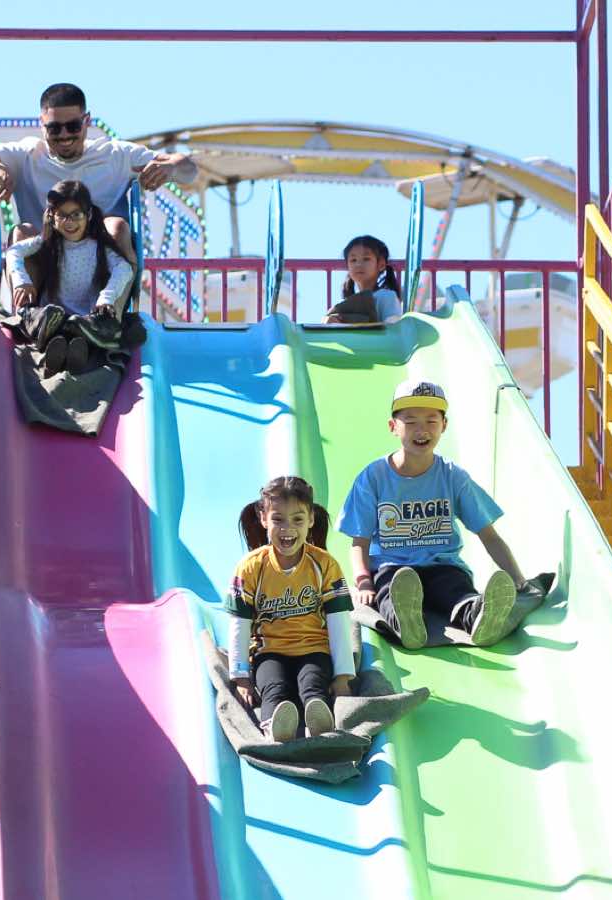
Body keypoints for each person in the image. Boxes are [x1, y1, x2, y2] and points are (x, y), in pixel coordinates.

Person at [340, 379, 530, 649]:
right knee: (392, 590)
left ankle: (479, 617)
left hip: (443, 565)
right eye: (411, 421)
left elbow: (489, 535)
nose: (422, 430)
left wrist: (517, 577)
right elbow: (359, 542)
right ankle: (406, 623)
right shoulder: (374, 477)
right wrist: (364, 583)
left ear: (444, 425)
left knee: (457, 593)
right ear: (393, 427)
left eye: (431, 421)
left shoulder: (453, 476)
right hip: (392, 567)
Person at [0, 82, 194, 267]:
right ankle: (30, 313)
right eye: (54, 128)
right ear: (42, 124)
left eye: (73, 126)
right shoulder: (28, 155)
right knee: (21, 233)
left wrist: (171, 167)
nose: (64, 135)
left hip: (101, 272)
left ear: (86, 121)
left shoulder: (115, 155)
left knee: (117, 227)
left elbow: (189, 169)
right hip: (46, 269)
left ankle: (116, 313)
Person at [227, 475, 356, 741]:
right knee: (274, 687)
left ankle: (319, 724)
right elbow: (239, 624)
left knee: (312, 685)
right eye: (278, 519)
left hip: (313, 649)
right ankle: (275, 728)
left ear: (311, 519)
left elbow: (338, 621)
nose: (288, 529)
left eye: (297, 519)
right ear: (263, 519)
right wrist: (241, 677)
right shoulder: (250, 567)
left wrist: (343, 676)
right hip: (269, 652)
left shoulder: (325, 565)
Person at [2, 181, 132, 372]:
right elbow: (13, 252)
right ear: (51, 216)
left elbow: (124, 268)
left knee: (83, 332)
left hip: (85, 321)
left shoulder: (98, 247)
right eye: (62, 215)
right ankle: (51, 342)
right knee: (46, 319)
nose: (69, 222)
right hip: (52, 318)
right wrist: (22, 281)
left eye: (76, 215)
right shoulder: (46, 243)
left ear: (88, 215)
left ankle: (77, 350)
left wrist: (107, 298)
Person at [324, 235, 403, 324]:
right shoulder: (343, 305)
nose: (358, 264)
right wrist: (329, 322)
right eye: (353, 260)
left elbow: (394, 327)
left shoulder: (386, 296)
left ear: (381, 264)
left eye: (366, 259)